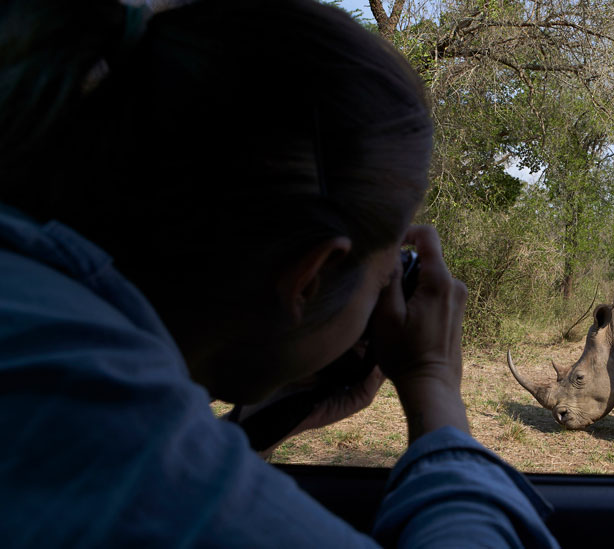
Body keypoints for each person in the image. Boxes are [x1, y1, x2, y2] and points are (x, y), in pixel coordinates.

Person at [0, 0, 558, 546]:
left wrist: (262, 416)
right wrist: (435, 386)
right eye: (390, 269)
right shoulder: (108, 435)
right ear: (309, 278)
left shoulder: (42, 324)